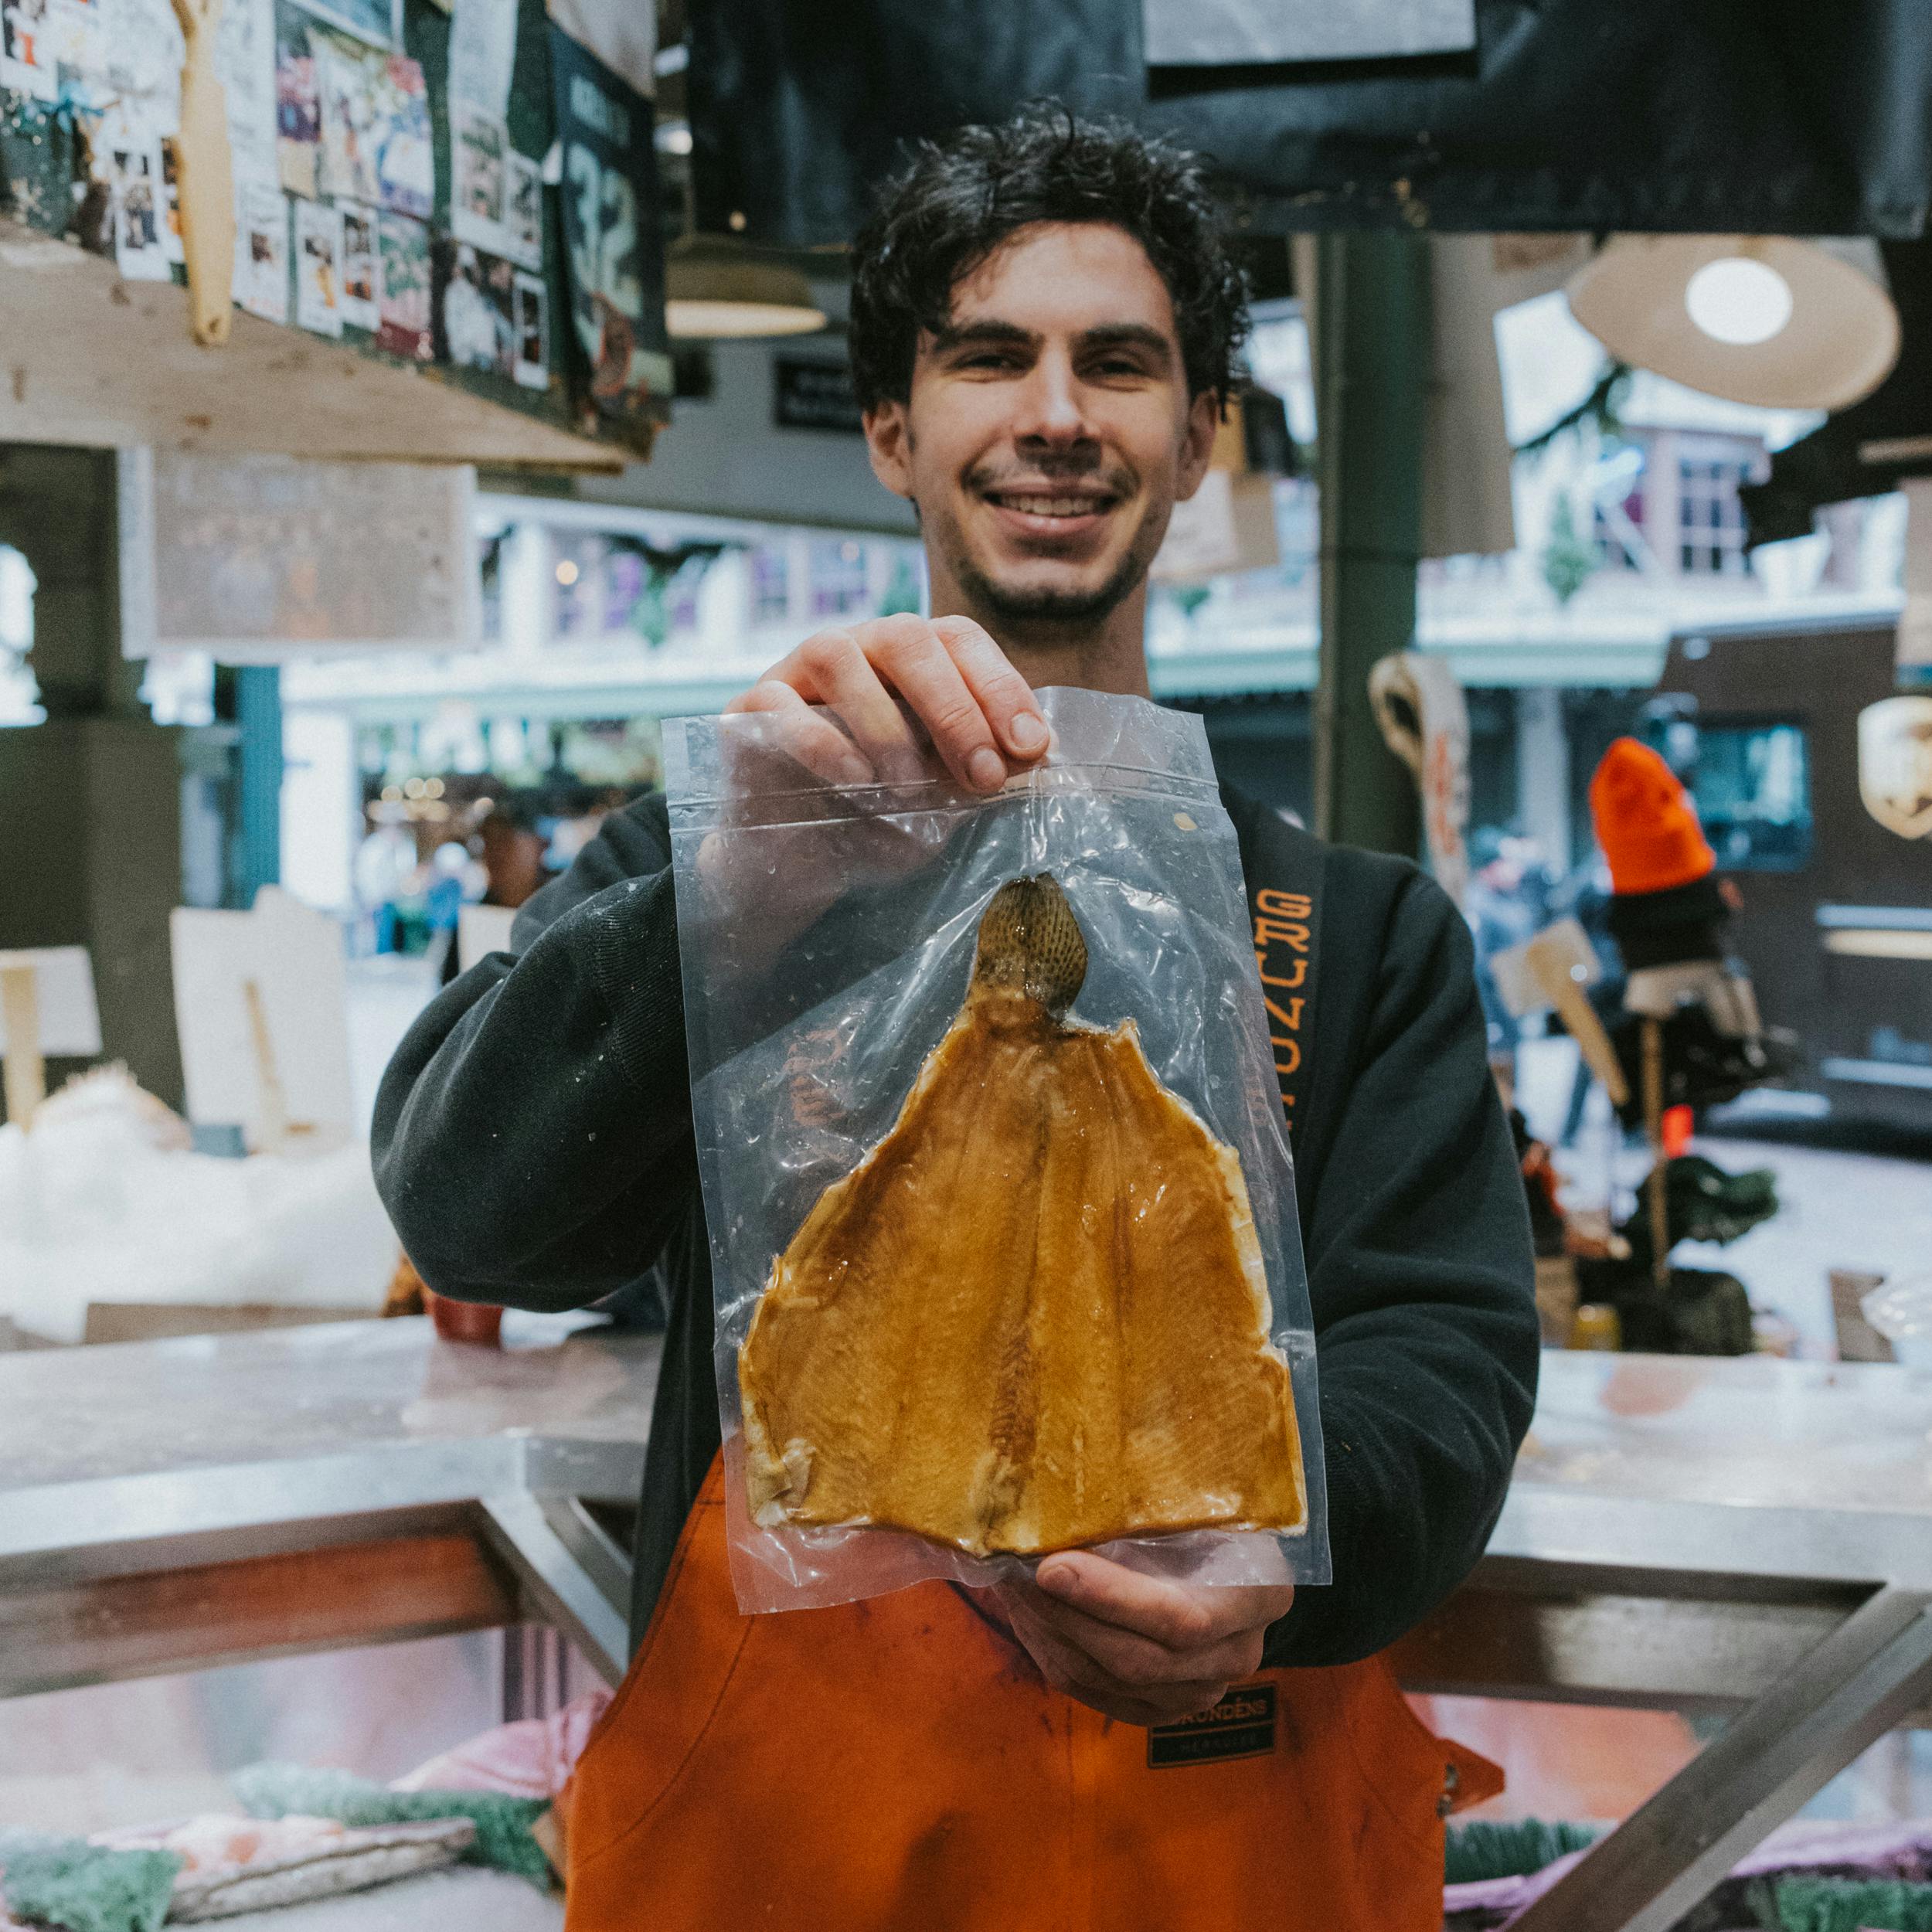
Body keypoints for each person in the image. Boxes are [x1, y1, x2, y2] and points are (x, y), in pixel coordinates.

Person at [375, 107, 1537, 1931]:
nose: (1056, 412)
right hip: (787, 1852)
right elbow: (468, 1214)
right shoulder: (720, 844)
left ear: (1196, 433)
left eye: (1121, 361)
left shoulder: (1358, 928)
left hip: (1231, 1833)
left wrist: (1278, 1562)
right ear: (895, 433)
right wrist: (726, 883)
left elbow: (1446, 1362)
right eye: (988, 355)